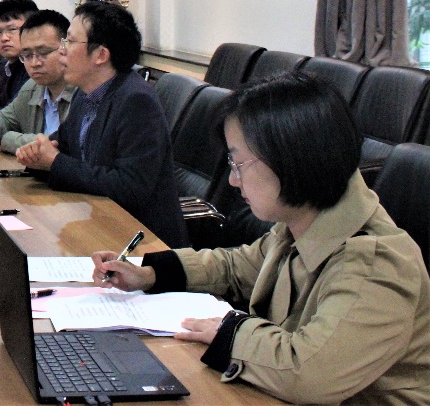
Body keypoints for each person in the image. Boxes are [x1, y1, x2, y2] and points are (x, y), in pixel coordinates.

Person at [93, 73, 430, 405]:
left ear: (291, 160)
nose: (233, 180)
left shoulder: (376, 263)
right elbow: (238, 266)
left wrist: (231, 332)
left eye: (239, 163)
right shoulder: (305, 219)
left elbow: (309, 374)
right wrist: (150, 274)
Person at [16, 2, 187, 248]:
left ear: (101, 55)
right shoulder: (85, 94)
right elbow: (64, 147)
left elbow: (130, 187)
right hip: (96, 221)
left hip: (141, 240)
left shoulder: (136, 101)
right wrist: (37, 156)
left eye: (70, 41)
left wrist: (54, 162)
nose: (62, 51)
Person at [0, 10, 75, 152]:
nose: (34, 63)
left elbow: (60, 143)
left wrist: (4, 141)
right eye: (27, 55)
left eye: (43, 53)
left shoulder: (83, 91)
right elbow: (6, 117)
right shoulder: (33, 87)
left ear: (66, 48)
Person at [0, 0, 37, 104]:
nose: (4, 38)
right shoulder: (7, 66)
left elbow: (20, 106)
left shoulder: (36, 66)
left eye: (12, 29)